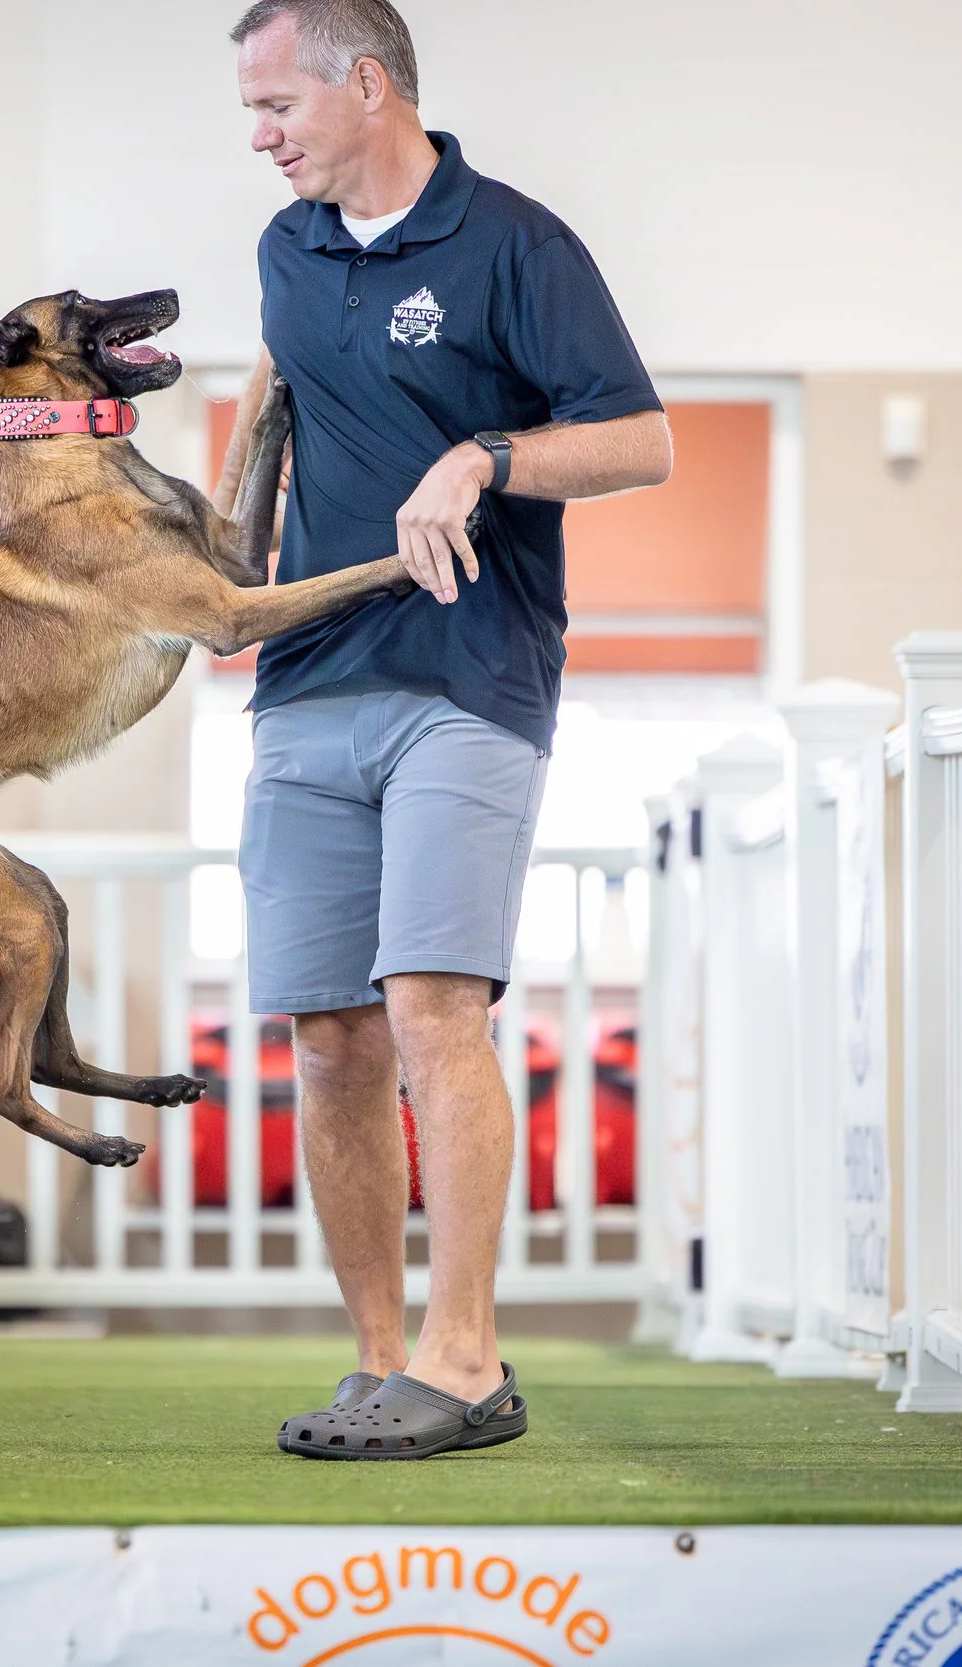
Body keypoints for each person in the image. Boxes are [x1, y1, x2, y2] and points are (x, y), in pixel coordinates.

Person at [221, 0, 673, 1456]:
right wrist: (223, 552)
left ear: (370, 84)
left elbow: (642, 440)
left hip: (469, 680)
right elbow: (278, 389)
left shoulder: (517, 245)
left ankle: (466, 1357)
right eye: (251, 113)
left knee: (432, 1013)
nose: (261, 135)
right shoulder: (286, 254)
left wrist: (481, 455)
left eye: (278, 105)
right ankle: (380, 1360)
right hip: (306, 683)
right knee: (329, 1037)